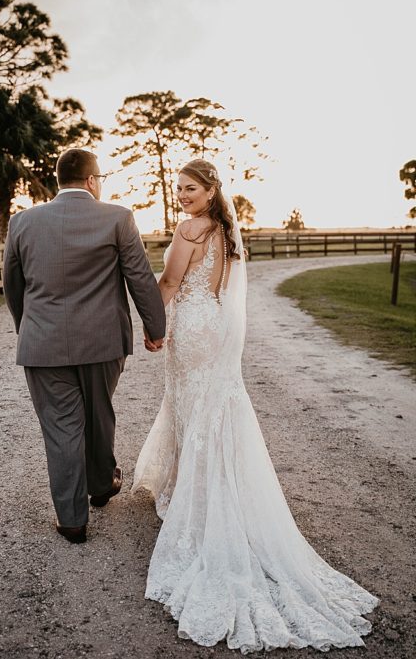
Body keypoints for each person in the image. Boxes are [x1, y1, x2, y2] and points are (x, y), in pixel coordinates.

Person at [133, 158, 377, 652]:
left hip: (194, 330)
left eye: (190, 189)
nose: (182, 196)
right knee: (211, 410)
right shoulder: (227, 229)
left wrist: (153, 325)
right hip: (219, 329)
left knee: (190, 408)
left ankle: (194, 499)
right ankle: (200, 485)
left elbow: (170, 284)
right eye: (178, 189)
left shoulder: (189, 229)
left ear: (208, 190)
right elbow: (222, 287)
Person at [2, 148, 166, 544]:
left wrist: (28, 327)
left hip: (42, 344)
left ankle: (72, 520)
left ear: (59, 181)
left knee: (61, 427)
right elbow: (140, 278)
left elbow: (12, 284)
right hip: (103, 340)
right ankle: (101, 483)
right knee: (98, 412)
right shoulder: (118, 217)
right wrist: (155, 326)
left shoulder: (21, 221)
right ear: (93, 181)